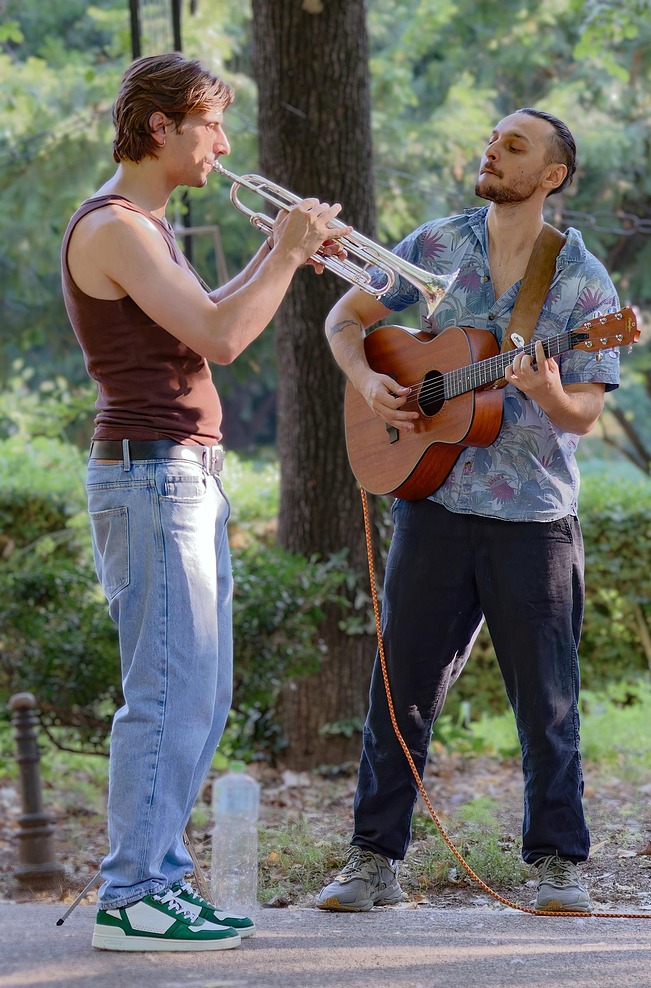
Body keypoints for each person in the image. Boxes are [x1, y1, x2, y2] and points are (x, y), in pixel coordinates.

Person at [61, 52, 347, 950]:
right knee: (167, 695)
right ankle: (132, 895)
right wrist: (288, 247)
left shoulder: (148, 226)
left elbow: (208, 317)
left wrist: (281, 252)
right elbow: (224, 338)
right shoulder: (116, 226)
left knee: (203, 696)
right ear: (159, 129)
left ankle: (162, 881)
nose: (223, 146)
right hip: (153, 477)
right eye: (210, 126)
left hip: (180, 475)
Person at [317, 108, 621, 913]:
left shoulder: (584, 280)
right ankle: (372, 860)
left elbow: (584, 409)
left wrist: (544, 387)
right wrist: (369, 380)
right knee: (400, 688)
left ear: (552, 175)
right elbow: (345, 320)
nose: (493, 150)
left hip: (534, 517)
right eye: (493, 138)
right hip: (435, 501)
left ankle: (557, 862)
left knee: (548, 700)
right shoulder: (434, 246)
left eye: (514, 145)